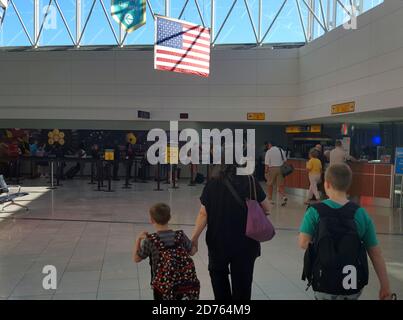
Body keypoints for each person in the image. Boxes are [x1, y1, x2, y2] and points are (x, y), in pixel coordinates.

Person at [298, 164, 392, 300]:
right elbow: (375, 253)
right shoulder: (360, 213)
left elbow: (303, 243)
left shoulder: (314, 211)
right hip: (352, 284)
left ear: (327, 184)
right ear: (348, 185)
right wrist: (385, 286)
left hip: (323, 281)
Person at [191, 164, 271, 300]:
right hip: (246, 242)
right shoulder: (250, 181)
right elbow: (267, 208)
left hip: (218, 242)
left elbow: (203, 214)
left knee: (219, 280)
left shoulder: (212, 183)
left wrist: (194, 238)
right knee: (243, 285)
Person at [133, 203, 199, 300]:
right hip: (184, 286)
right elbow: (193, 251)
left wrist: (138, 240)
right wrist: (195, 239)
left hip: (162, 287)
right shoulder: (180, 235)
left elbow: (136, 258)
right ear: (169, 217)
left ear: (152, 220)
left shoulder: (151, 240)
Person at [264, 141, 288, 206]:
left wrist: (265, 171)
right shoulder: (281, 150)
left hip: (272, 169)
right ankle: (284, 197)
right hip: (280, 169)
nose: (267, 147)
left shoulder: (269, 152)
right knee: (280, 185)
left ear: (269, 144)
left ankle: (270, 199)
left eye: (267, 145)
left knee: (270, 184)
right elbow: (285, 161)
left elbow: (266, 164)